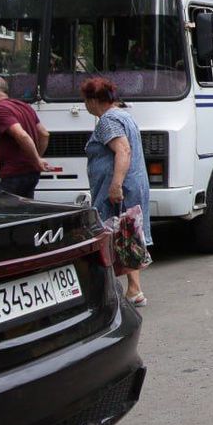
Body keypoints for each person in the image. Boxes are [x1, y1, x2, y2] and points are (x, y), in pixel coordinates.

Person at [81, 76, 152, 307]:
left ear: (94, 100)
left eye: (85, 100)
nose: (85, 105)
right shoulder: (123, 115)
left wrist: (115, 185)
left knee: (111, 235)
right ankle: (134, 290)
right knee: (127, 235)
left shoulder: (107, 120)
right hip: (131, 185)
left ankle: (111, 291)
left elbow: (123, 150)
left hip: (120, 189)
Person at [0, 75, 50, 198]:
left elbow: (21, 135)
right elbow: (44, 134)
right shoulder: (24, 106)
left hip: (13, 174)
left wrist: (36, 160)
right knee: (24, 212)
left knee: (0, 210)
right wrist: (35, 158)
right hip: (31, 173)